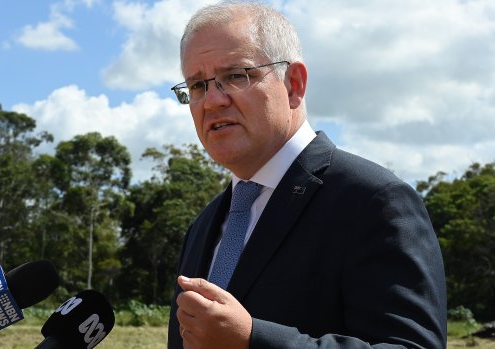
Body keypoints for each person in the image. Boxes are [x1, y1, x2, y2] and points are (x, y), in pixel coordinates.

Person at [166, 1, 447, 349]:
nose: (211, 101)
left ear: (293, 84)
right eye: (196, 86)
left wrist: (253, 340)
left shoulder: (373, 201)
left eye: (235, 76)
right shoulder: (204, 225)